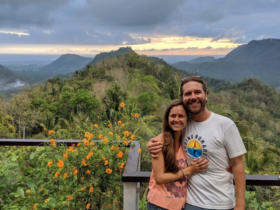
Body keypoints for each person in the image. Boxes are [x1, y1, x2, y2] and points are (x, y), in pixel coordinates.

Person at [147, 76, 247, 210]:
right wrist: (151, 144)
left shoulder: (225, 125)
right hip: (190, 203)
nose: (193, 97)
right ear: (183, 98)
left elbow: (238, 164)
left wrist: (240, 203)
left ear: (206, 95)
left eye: (197, 92)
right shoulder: (182, 124)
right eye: (188, 94)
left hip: (222, 203)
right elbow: (165, 136)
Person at [148, 99, 209, 210]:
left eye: (181, 116)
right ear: (167, 118)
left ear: (187, 119)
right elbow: (159, 178)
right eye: (173, 116)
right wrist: (188, 170)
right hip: (160, 205)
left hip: (178, 205)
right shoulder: (159, 142)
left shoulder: (185, 141)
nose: (176, 120)